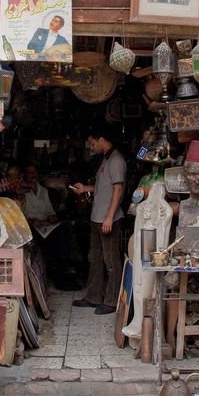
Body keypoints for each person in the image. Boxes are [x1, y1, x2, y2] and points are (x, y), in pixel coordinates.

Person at [72, 123, 126, 315]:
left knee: (111, 262)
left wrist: (110, 217)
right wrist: (86, 189)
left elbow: (118, 190)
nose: (90, 147)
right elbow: (105, 188)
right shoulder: (105, 160)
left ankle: (111, 301)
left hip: (108, 219)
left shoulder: (116, 160)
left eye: (92, 143)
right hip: (97, 218)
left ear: (101, 139)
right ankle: (93, 297)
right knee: (94, 259)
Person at [22, 163, 80, 290]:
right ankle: (63, 277)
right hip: (30, 228)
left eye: (35, 172)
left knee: (63, 231)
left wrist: (52, 217)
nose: (33, 175)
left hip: (45, 226)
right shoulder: (21, 192)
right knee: (53, 239)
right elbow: (18, 215)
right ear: (24, 175)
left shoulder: (43, 190)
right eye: (30, 172)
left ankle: (63, 277)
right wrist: (31, 221)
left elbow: (49, 210)